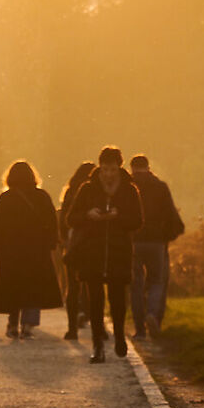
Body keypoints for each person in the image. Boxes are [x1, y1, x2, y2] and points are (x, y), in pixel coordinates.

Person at [66, 146, 144, 361]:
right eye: (105, 169)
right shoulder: (87, 189)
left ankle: (119, 335)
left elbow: (137, 221)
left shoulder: (129, 190)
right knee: (95, 300)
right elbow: (71, 218)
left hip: (119, 252)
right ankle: (97, 344)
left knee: (118, 299)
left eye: (113, 170)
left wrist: (119, 216)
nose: (109, 174)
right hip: (93, 251)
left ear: (119, 168)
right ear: (100, 167)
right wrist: (88, 215)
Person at [0, 161, 62, 338]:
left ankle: (13, 323)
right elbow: (52, 222)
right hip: (36, 250)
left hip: (11, 252)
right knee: (33, 288)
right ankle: (28, 325)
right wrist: (51, 244)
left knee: (13, 288)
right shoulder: (42, 197)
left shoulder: (5, 198)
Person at [126, 154, 186, 340]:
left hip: (134, 242)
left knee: (136, 285)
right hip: (156, 242)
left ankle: (140, 330)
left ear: (131, 168)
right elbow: (171, 216)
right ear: (148, 167)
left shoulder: (128, 187)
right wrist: (166, 236)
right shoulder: (160, 187)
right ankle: (152, 314)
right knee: (156, 281)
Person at [57, 160, 97, 341]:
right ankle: (94, 322)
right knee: (94, 285)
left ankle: (72, 328)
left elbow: (64, 219)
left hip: (74, 243)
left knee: (73, 286)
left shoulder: (71, 191)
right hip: (93, 243)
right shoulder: (96, 192)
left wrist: (64, 239)